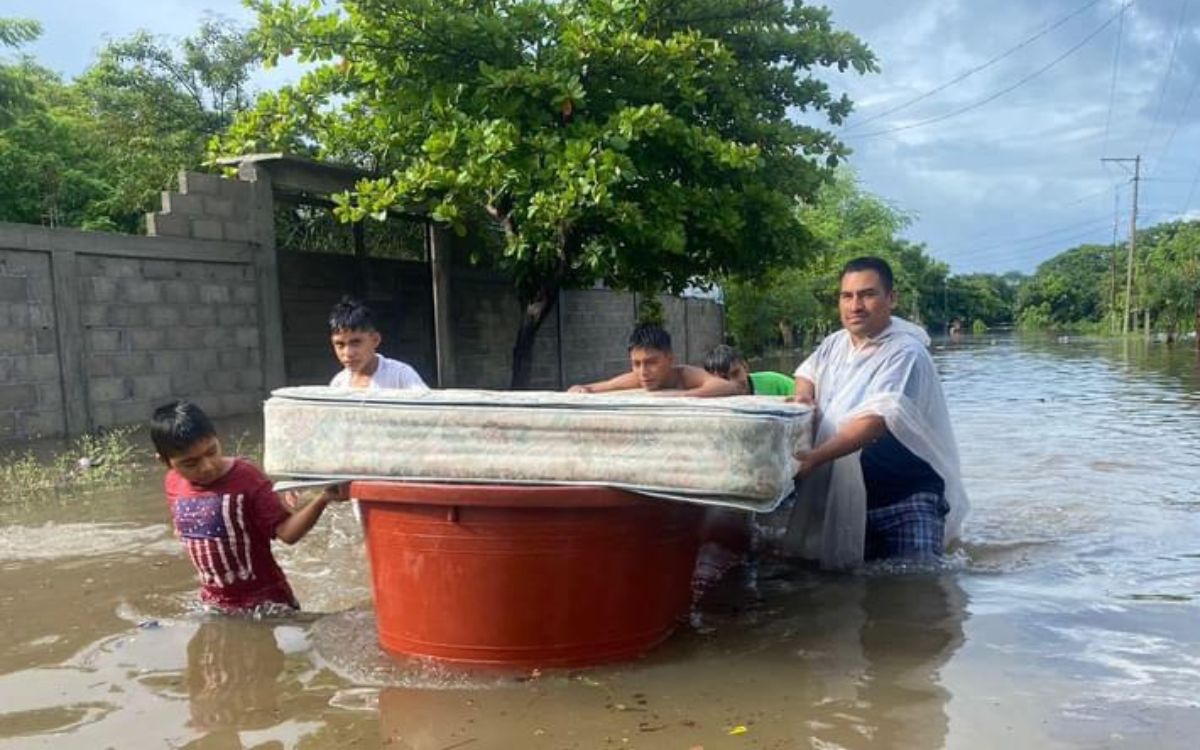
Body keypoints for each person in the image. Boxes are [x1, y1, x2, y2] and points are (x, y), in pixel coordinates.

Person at [782, 257, 968, 567]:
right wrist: (803, 398)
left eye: (867, 294)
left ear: (891, 299)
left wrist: (813, 458)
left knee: (919, 596)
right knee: (840, 593)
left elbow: (874, 422)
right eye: (847, 296)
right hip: (850, 499)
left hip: (907, 497)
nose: (855, 305)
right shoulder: (835, 344)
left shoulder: (905, 352)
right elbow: (808, 373)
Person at [151, 399, 348, 613]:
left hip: (267, 605)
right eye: (190, 463)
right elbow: (181, 528)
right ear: (165, 461)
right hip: (213, 604)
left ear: (217, 439)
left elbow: (287, 533)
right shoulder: (173, 482)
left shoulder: (246, 477)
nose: (207, 466)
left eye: (211, 452)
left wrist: (323, 498)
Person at [567, 323, 740, 397]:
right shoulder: (637, 379)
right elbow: (597, 387)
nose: (643, 371)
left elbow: (727, 386)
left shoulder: (684, 376)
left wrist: (682, 397)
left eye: (651, 362)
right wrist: (580, 389)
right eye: (636, 364)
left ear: (670, 358)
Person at [328, 297, 427, 390]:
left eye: (356, 342)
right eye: (340, 345)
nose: (348, 353)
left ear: (375, 340)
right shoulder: (338, 384)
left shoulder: (401, 375)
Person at [703, 344, 796, 397]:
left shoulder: (775, 382)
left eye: (735, 373)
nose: (733, 382)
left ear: (745, 367)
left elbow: (805, 395)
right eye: (724, 378)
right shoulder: (710, 400)